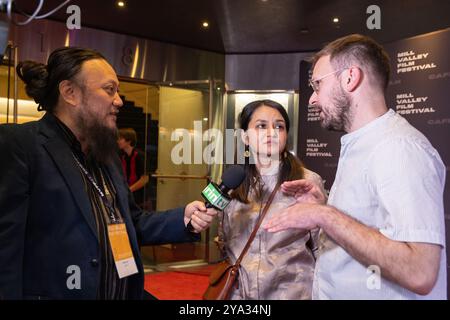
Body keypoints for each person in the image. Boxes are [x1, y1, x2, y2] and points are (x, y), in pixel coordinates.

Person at [0, 47, 217, 300]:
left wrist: (183, 218)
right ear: (70, 93)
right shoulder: (22, 145)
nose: (119, 101)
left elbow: (130, 223)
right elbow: (5, 251)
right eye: (109, 89)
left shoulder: (105, 155)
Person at [264, 34, 447, 299]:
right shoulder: (365, 144)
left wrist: (325, 216)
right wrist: (323, 207)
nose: (311, 100)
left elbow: (420, 271)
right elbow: (369, 229)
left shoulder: (399, 148)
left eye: (317, 85)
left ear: (350, 77)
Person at [218, 99, 325, 299]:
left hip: (293, 293)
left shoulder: (306, 182)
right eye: (261, 126)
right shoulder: (232, 183)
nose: (271, 132)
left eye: (279, 126)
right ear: (245, 137)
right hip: (239, 296)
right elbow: (223, 243)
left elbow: (324, 248)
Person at [117, 128, 149, 207]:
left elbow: (144, 179)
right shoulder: (121, 156)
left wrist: (128, 190)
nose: (117, 141)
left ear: (128, 141)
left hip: (140, 197)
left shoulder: (139, 155)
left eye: (120, 139)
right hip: (127, 194)